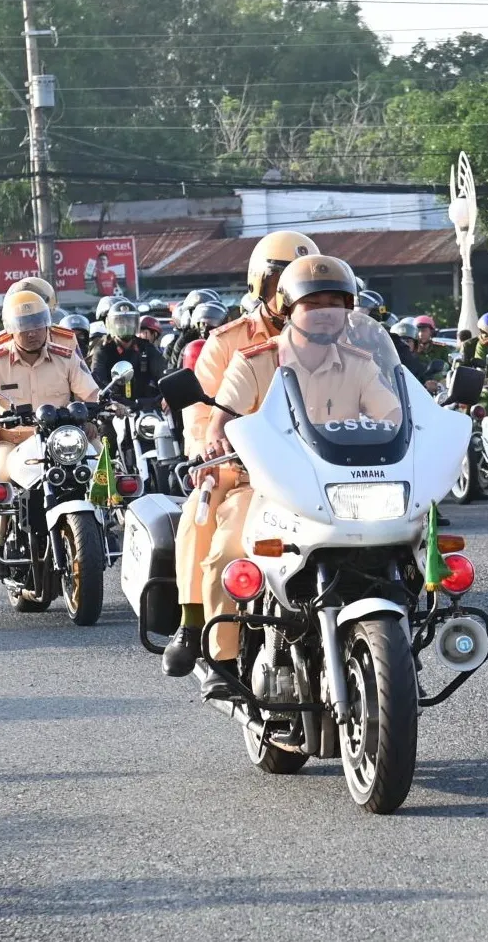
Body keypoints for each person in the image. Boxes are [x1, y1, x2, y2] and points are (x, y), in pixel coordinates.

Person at [180, 256, 399, 683]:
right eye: (313, 306)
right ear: (288, 309)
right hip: (264, 487)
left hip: (343, 486)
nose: (325, 316)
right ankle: (220, 662)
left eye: (335, 306)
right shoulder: (254, 360)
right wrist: (216, 441)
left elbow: (393, 415)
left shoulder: (360, 362)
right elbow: (221, 418)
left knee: (402, 541)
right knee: (225, 551)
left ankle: (399, 645)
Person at [164, 230, 319, 675]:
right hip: (248, 472)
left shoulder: (341, 342)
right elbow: (201, 410)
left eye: (304, 284)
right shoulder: (230, 342)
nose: (293, 296)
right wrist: (207, 447)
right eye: (282, 284)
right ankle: (204, 635)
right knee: (213, 524)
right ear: (262, 286)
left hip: (323, 473)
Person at [0, 290, 99, 538]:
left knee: (100, 461)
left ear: (47, 325)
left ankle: (105, 525)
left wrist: (95, 413)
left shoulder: (65, 357)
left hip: (59, 438)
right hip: (12, 439)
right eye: (23, 326)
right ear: (10, 328)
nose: (31, 332)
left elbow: (91, 393)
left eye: (37, 325)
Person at [91, 300, 160, 403]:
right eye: (120, 321)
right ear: (111, 324)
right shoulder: (102, 349)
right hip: (113, 409)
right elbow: (97, 378)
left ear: (136, 323)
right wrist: (111, 399)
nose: (125, 325)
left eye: (129, 321)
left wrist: (164, 395)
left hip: (146, 408)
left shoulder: (146, 347)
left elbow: (162, 372)